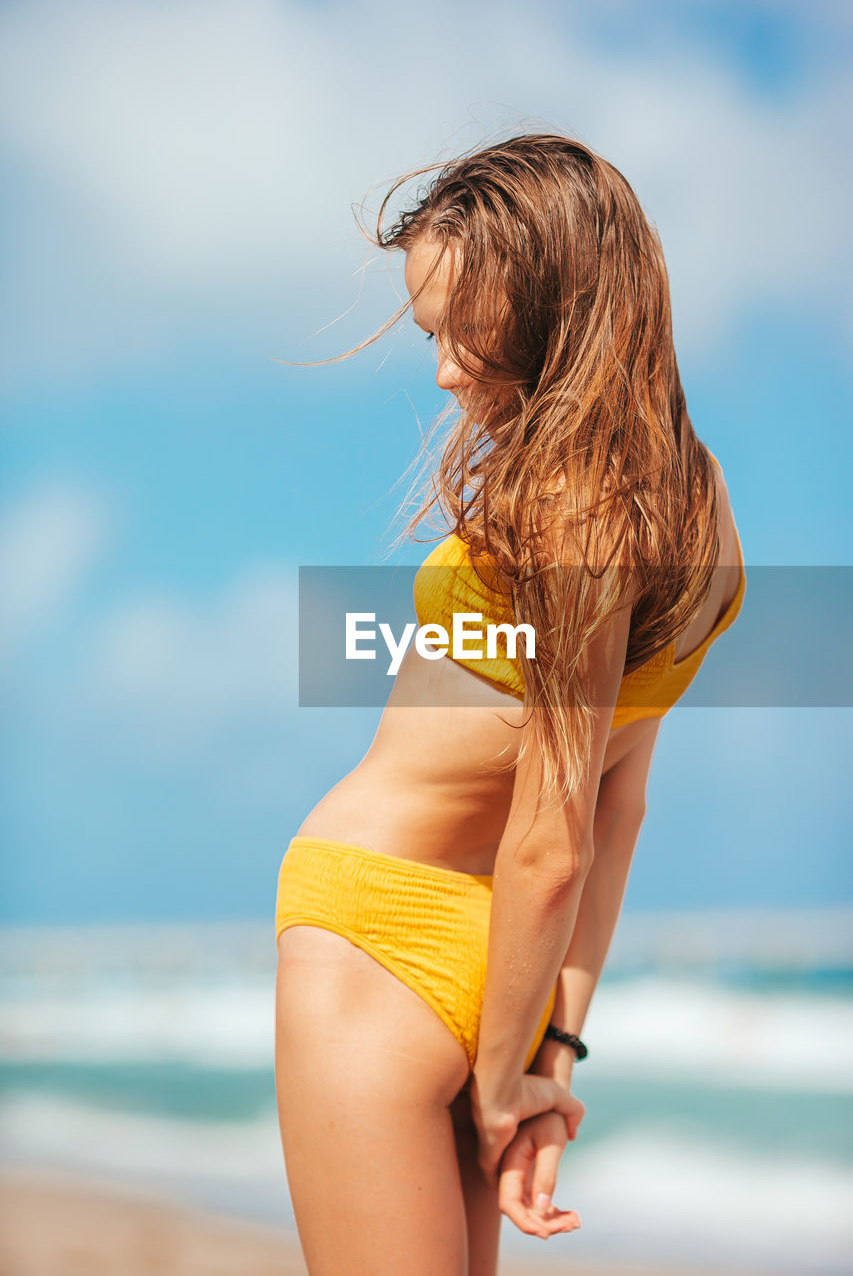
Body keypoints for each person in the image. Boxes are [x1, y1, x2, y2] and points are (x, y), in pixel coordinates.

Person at [273, 132, 746, 1276]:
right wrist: (546, 1050)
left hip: (375, 933)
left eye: (456, 331)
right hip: (505, 968)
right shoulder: (700, 501)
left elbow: (553, 839)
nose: (441, 371)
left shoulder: (568, 511)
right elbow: (619, 800)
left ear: (548, 304)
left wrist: (505, 1079)